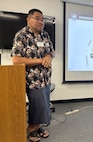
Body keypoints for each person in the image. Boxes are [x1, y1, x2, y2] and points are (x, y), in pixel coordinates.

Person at [11, 8, 55, 142]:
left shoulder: (45, 35)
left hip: (45, 78)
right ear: (28, 19)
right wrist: (40, 60)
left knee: (43, 104)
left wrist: (48, 56)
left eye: (42, 19)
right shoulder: (21, 35)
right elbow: (16, 60)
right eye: (37, 18)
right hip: (31, 79)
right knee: (36, 104)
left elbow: (52, 52)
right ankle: (32, 129)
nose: (41, 22)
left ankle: (38, 126)